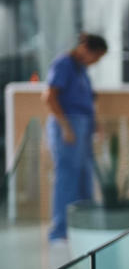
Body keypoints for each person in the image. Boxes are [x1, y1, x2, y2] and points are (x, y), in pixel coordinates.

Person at [42, 33, 108, 241]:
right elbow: (49, 97)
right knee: (67, 179)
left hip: (83, 126)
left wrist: (95, 124)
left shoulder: (81, 70)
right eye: (96, 57)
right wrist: (65, 127)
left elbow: (87, 100)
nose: (96, 62)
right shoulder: (64, 64)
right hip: (68, 126)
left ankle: (82, 229)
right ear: (86, 49)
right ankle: (59, 232)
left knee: (84, 179)